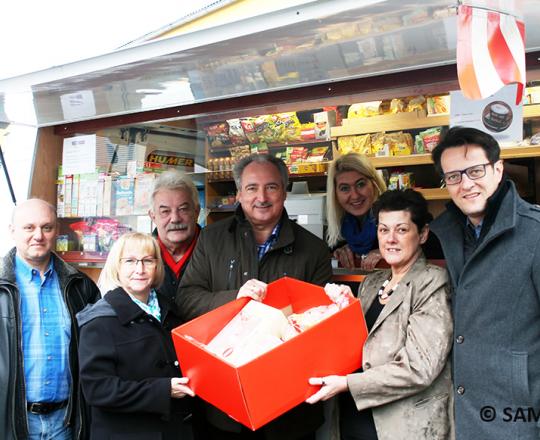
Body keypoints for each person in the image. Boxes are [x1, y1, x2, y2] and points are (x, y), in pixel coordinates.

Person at [178, 153, 332, 439]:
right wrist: (235, 299)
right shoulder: (211, 239)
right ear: (238, 193)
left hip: (289, 409)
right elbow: (187, 299)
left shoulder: (314, 250)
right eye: (251, 188)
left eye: (271, 187)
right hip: (224, 403)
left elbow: (322, 329)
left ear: (285, 192)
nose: (261, 196)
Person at [307, 189, 453, 440]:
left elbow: (419, 368)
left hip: (404, 425)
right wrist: (340, 309)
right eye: (384, 230)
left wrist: (348, 384)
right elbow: (355, 348)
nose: (391, 239)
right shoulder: (372, 283)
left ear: (423, 234)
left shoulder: (432, 281)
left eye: (402, 230)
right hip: (354, 419)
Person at [430, 126, 540, 439]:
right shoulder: (449, 233)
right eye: (453, 176)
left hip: (518, 419)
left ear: (498, 169)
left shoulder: (534, 233)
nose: (465, 184)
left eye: (475, 171)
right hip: (464, 414)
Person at [77, 232, 194, 440]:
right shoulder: (100, 320)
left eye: (148, 260)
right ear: (117, 266)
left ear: (157, 266)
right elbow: (98, 389)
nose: (139, 269)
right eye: (130, 261)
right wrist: (163, 390)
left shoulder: (171, 311)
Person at [0, 198, 100, 440]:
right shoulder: (3, 288)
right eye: (29, 228)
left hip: (66, 423)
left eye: (46, 227)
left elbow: (97, 353)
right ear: (12, 231)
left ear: (56, 231)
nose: (38, 235)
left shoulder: (81, 287)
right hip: (11, 423)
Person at [148, 169, 201, 331]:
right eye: (165, 211)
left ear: (197, 211)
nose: (175, 218)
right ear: (152, 216)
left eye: (183, 209)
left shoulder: (216, 250)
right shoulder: (141, 256)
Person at [326, 153, 387, 270]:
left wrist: (390, 251)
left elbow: (426, 245)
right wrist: (338, 253)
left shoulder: (398, 215)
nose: (354, 195)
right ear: (335, 194)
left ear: (374, 184)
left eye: (361, 184)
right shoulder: (337, 232)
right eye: (345, 188)